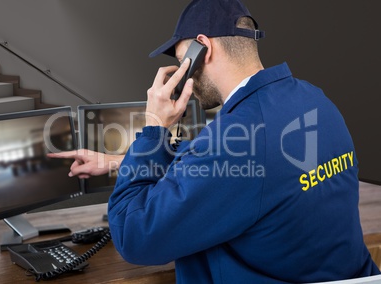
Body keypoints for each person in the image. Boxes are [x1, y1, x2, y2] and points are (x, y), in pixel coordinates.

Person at [49, 0, 380, 282]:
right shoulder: (313, 99)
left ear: (203, 49)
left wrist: (154, 128)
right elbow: (252, 172)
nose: (183, 73)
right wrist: (119, 162)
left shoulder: (233, 141)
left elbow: (134, 236)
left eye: (183, 62)